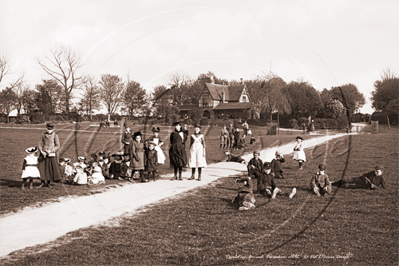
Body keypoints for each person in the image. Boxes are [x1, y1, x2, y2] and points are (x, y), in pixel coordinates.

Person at [37, 123, 62, 188]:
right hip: (44, 153)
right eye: (48, 128)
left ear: (53, 129)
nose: (49, 130)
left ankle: (48, 182)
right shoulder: (43, 135)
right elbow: (39, 143)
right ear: (46, 128)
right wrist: (42, 151)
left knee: (50, 168)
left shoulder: (55, 135)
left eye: (51, 129)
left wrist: (52, 150)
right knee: (42, 167)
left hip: (51, 153)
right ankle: (42, 182)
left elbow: (57, 145)